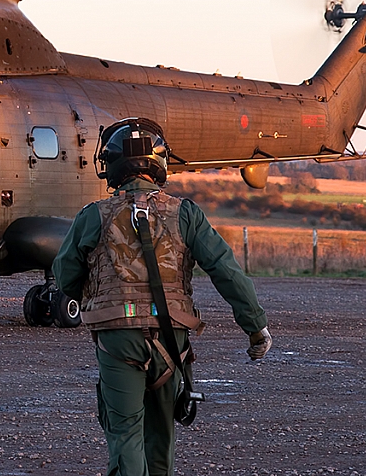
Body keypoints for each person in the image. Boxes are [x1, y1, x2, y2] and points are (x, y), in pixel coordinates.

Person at [53, 117, 272, 476]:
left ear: (112, 164)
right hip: (173, 339)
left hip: (118, 340)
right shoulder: (186, 213)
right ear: (159, 163)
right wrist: (256, 326)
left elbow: (65, 277)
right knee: (162, 437)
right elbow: (225, 269)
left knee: (125, 434)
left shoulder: (93, 215)